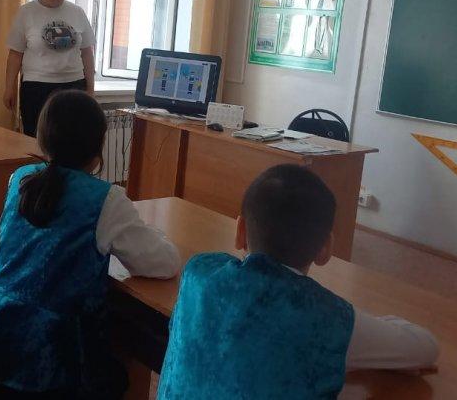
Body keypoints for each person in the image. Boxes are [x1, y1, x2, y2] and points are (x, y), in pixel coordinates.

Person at [0, 90, 180, 399]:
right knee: (115, 374)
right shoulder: (106, 200)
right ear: (98, 147)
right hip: (42, 368)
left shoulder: (20, 179)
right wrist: (156, 235)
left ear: (42, 139)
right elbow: (164, 263)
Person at [157, 164, 440, 400]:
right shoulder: (329, 319)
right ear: (326, 248)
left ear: (240, 230)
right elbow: (425, 348)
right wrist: (372, 332)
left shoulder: (199, 272)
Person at [4, 0, 97, 137]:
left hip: (73, 86)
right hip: (37, 87)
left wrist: (90, 89)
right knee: (36, 138)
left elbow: (87, 53)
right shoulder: (26, 13)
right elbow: (15, 54)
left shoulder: (77, 12)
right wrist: (9, 88)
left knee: (72, 138)